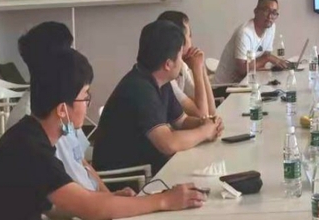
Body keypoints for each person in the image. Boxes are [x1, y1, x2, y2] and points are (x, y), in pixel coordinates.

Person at [0, 47, 206, 220]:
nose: (88, 103)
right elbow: (90, 209)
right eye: (85, 97)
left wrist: (109, 199)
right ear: (62, 109)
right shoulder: (31, 149)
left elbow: (59, 203)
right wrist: (164, 200)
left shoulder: (31, 133)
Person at [93, 20, 224, 176]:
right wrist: (204, 132)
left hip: (149, 168)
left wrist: (206, 123)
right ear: (168, 64)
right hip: (128, 179)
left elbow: (181, 121)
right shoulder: (139, 89)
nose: (182, 61)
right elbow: (168, 144)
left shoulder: (160, 81)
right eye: (180, 56)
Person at [5, 22, 114, 194]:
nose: (74, 56)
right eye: (69, 50)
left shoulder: (66, 108)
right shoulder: (36, 121)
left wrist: (109, 196)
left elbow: (82, 162)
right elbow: (65, 198)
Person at [213, 0, 288, 86]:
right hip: (225, 87)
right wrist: (268, 58)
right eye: (266, 11)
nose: (270, 16)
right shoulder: (245, 33)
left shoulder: (271, 28)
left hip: (247, 82)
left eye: (274, 13)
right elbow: (242, 70)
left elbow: (264, 57)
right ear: (256, 11)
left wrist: (274, 64)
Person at [156, 11, 217, 120]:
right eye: (189, 35)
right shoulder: (166, 75)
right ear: (179, 40)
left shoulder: (182, 67)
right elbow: (203, 115)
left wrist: (201, 68)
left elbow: (211, 111)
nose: (191, 41)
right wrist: (197, 70)